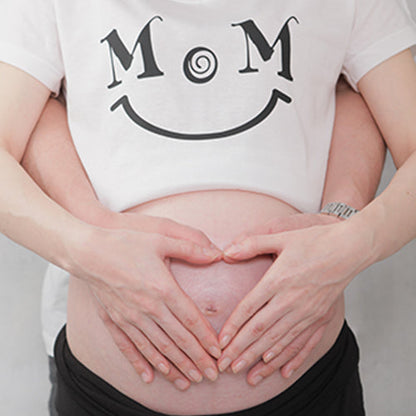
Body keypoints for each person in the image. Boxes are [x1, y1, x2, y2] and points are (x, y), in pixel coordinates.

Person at [1, 0, 416, 415]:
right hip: (107, 389)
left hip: (306, 385)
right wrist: (86, 248)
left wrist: (354, 241)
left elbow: (375, 111)